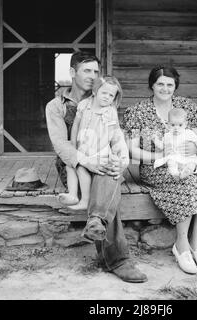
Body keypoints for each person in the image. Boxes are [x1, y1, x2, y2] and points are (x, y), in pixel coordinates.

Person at [45, 51, 147, 283]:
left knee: (109, 173)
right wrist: (85, 160)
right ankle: (119, 259)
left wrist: (121, 160)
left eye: (95, 71)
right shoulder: (56, 106)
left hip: (102, 158)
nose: (92, 76)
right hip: (74, 167)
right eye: (86, 71)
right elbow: (60, 144)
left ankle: (95, 222)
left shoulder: (106, 100)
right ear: (72, 73)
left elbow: (115, 135)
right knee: (107, 190)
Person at [122, 65, 197, 275]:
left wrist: (194, 147)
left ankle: (196, 244)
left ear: (175, 86)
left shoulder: (186, 107)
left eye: (170, 84)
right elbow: (131, 149)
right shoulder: (138, 111)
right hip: (155, 166)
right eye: (160, 84)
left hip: (187, 162)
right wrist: (159, 156)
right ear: (152, 85)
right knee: (186, 183)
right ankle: (181, 246)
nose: (165, 88)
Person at [58, 76, 129, 211]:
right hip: (82, 147)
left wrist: (115, 152)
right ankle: (72, 194)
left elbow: (113, 133)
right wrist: (73, 144)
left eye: (111, 95)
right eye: (104, 93)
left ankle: (85, 200)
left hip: (99, 149)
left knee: (81, 168)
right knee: (70, 165)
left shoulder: (110, 111)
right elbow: (76, 125)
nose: (107, 97)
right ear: (95, 91)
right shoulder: (84, 105)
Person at [153, 108, 197, 179]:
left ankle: (187, 171)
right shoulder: (167, 135)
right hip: (174, 157)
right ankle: (175, 173)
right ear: (168, 124)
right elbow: (162, 146)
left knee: (192, 164)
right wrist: (155, 140)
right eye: (173, 125)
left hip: (188, 157)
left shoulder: (189, 133)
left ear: (185, 124)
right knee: (170, 162)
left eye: (180, 125)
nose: (176, 128)